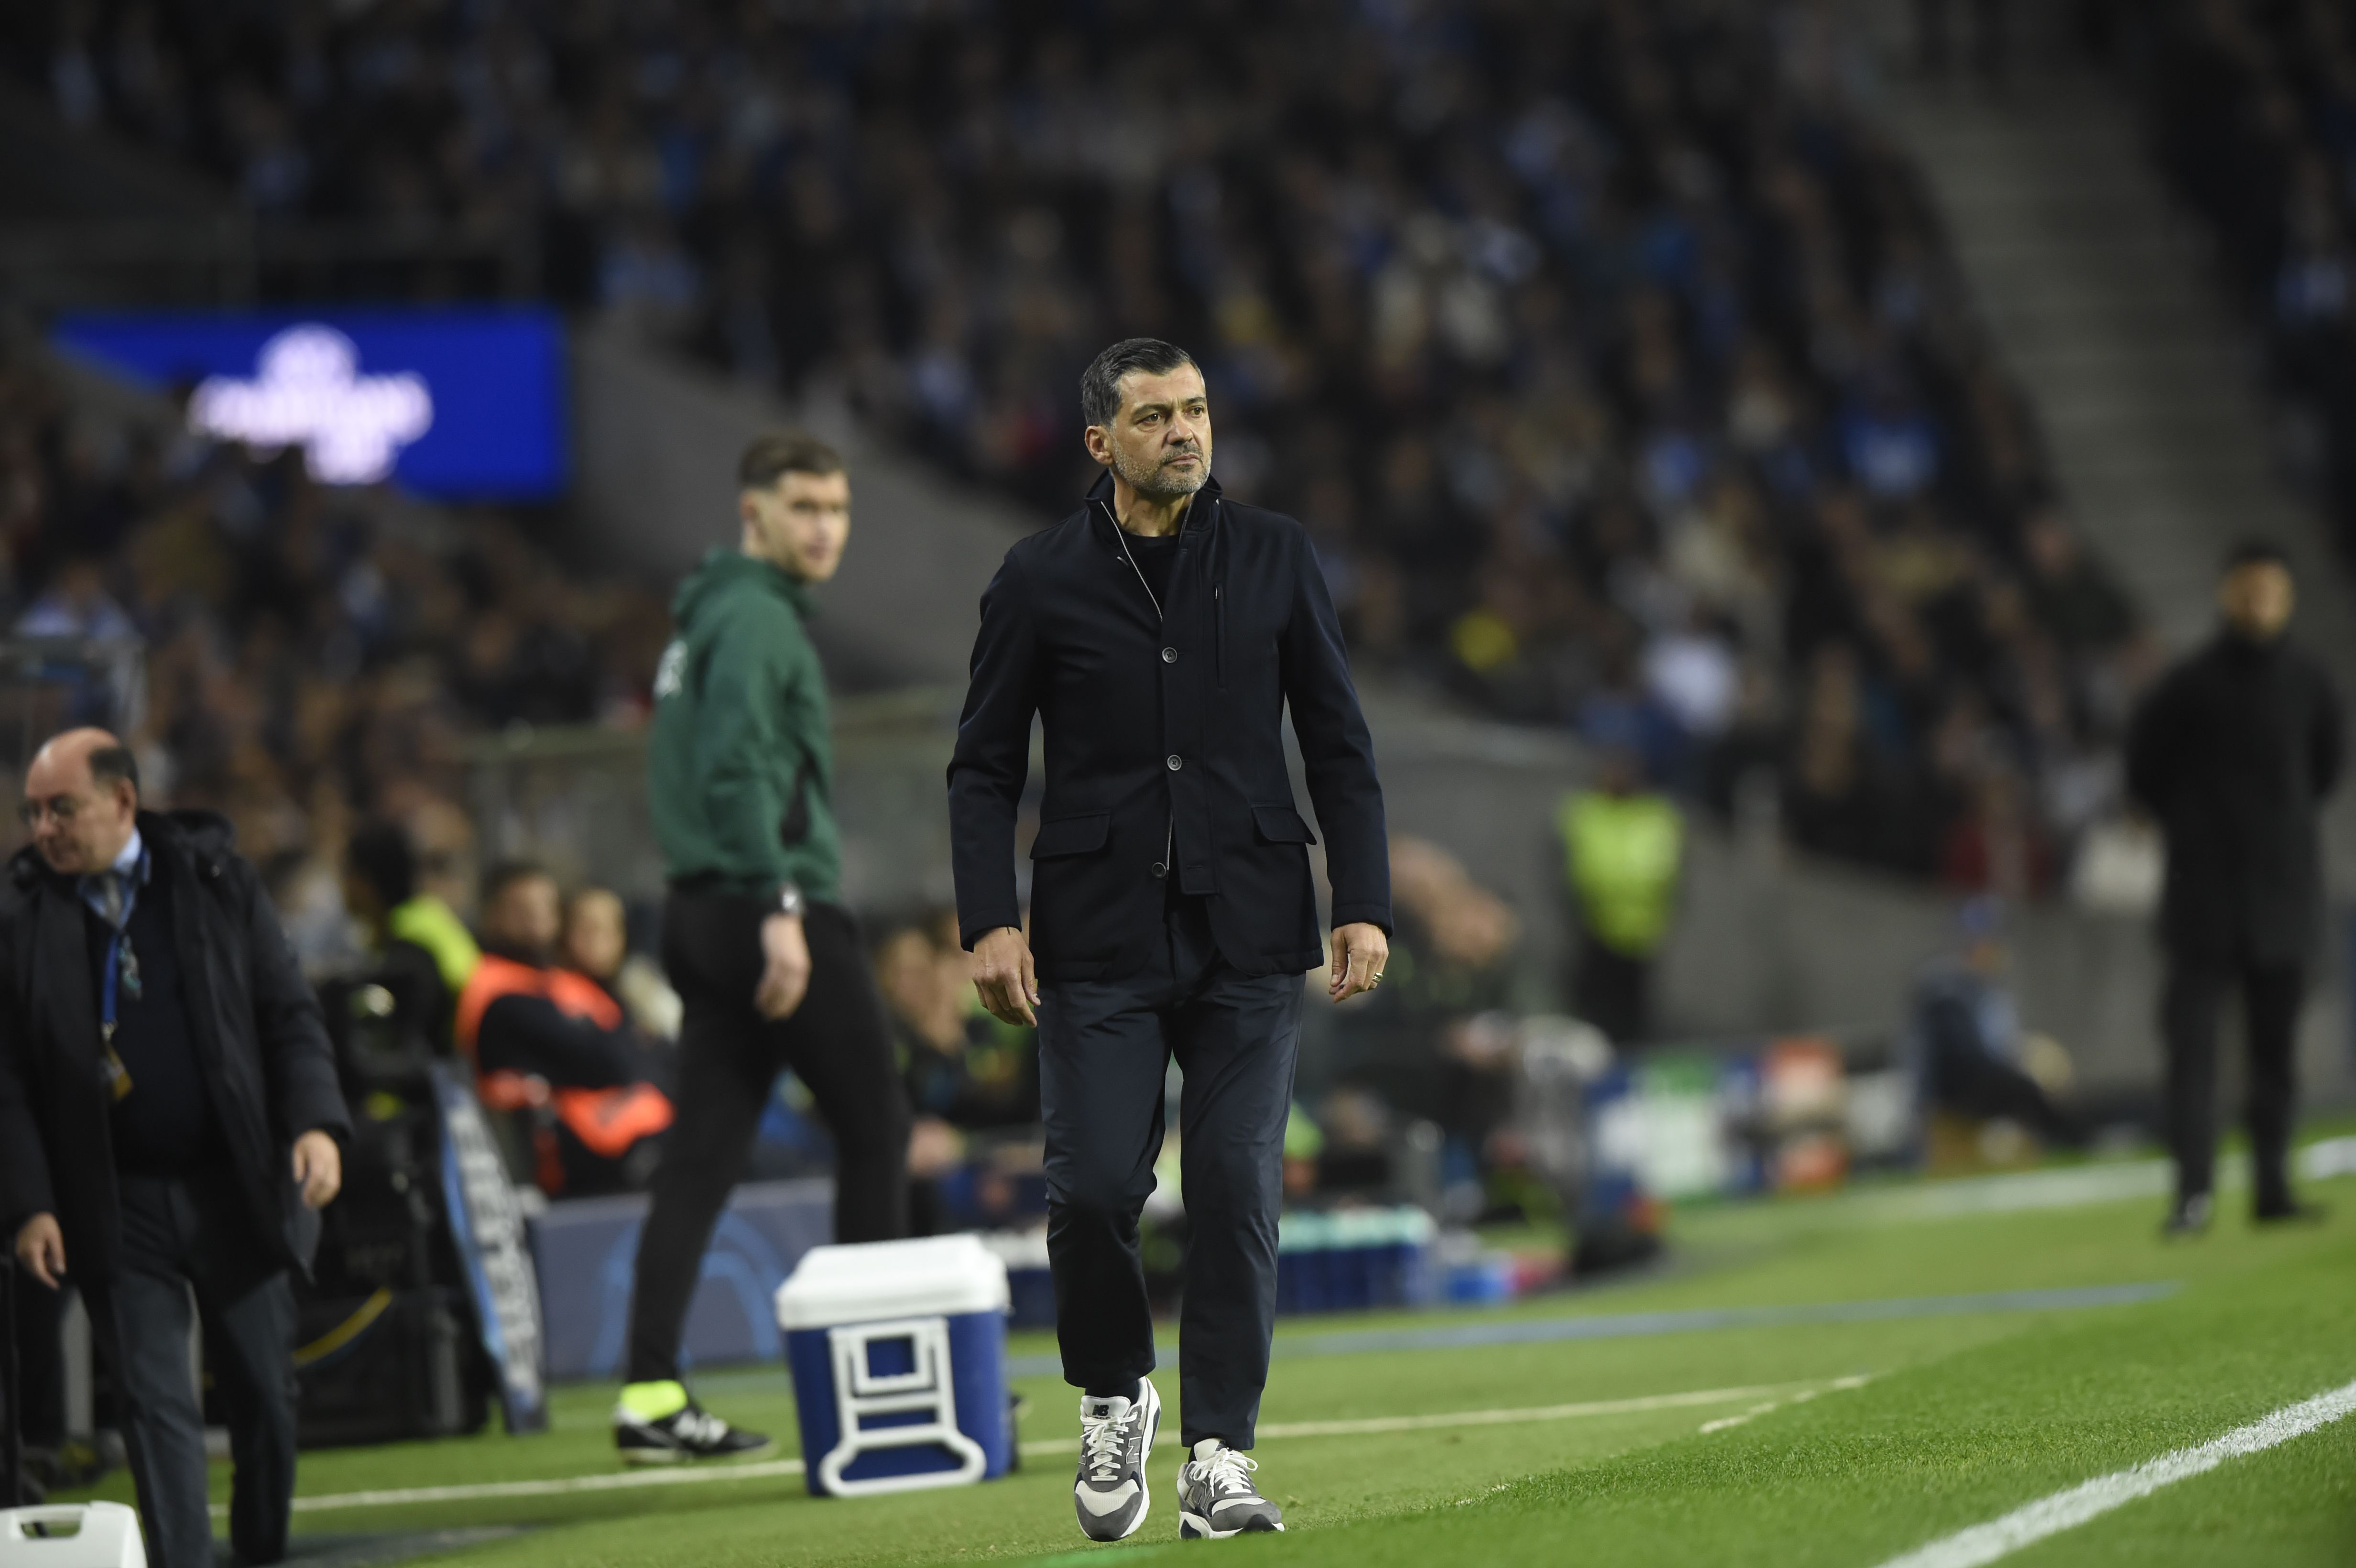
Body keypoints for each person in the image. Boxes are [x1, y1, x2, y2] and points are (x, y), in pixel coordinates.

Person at [949, 338, 1391, 1542]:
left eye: (1195, 410)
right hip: (1095, 934)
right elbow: (983, 767)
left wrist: (1364, 897)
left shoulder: (1277, 555)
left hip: (1251, 924)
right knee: (1093, 1189)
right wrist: (989, 917)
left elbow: (1339, 741)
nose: (1185, 432)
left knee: (1241, 1185)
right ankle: (1113, 1390)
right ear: (1102, 443)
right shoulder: (1036, 578)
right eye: (1154, 417)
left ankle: (1219, 1455)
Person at [614, 432, 912, 1464]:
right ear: (754, 513)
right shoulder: (756, 621)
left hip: (697, 907)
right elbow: (744, 771)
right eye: (803, 507)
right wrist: (781, 901)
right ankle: (880, 1383)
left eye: (836, 507)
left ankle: (650, 1390)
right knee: (876, 1126)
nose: (824, 527)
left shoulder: (702, 622)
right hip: (766, 902)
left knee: (701, 1155)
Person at [0, 729, 349, 1568]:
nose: (44, 828)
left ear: (122, 801)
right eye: (34, 812)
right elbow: (5, 1082)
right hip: (115, 1199)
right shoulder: (18, 917)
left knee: (265, 1394)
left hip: (235, 1181)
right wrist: (30, 1205)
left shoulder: (216, 878)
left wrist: (317, 1125)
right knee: (156, 1408)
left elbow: (286, 1016)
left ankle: (262, 1550)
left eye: (63, 809)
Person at [2127, 541, 2342, 1234]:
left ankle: (2273, 1189)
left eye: (2271, 591)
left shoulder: (2310, 682)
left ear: (2288, 598)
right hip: (2204, 904)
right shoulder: (2187, 685)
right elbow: (2144, 771)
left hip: (2282, 898)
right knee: (2192, 1053)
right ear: (2227, 594)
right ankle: (2193, 1194)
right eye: (2248, 590)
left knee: (2275, 1055)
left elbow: (2327, 770)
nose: (2259, 603)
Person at [456, 862, 673, 1196]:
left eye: (547, 906)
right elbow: (608, 1061)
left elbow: (641, 1047)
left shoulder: (556, 980)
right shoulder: (498, 993)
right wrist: (624, 1045)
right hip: (568, 1159)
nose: (538, 918)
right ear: (492, 915)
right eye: (523, 909)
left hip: (623, 1132)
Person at [1909, 897, 2081, 1151]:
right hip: (1955, 1094)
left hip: (1979, 1082)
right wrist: (2019, 1068)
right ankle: (2069, 1140)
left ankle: (2059, 1137)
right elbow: (1964, 1059)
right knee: (2028, 1090)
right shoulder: (1946, 991)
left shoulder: (1986, 991)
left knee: (2036, 1083)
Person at [1556, 745, 1684, 1045]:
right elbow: (1563, 870)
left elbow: (1675, 876)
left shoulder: (1659, 815)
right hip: (1590, 935)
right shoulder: (1581, 812)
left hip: (1644, 939)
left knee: (1634, 1021)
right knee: (1590, 1014)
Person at [343, 817, 480, 1048]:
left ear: (364, 882)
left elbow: (414, 1036)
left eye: (347, 875)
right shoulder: (425, 917)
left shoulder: (410, 947)